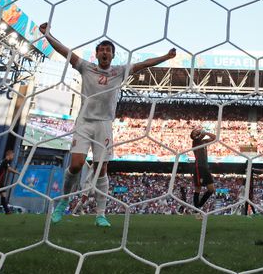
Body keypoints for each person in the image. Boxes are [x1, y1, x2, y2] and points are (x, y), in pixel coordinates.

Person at [40, 22, 175, 227]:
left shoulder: (119, 71)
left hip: (104, 124)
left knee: (101, 169)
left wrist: (165, 57)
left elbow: (144, 64)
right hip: (84, 122)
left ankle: (101, 214)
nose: (104, 52)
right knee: (76, 165)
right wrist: (48, 35)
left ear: (112, 55)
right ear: (96, 54)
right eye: (101, 49)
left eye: (108, 50)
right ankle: (63, 203)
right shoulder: (86, 67)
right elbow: (65, 51)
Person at [183, 128, 216, 215]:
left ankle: (198, 207)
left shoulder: (203, 141)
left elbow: (215, 137)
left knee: (211, 189)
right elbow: (202, 135)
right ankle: (197, 210)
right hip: (199, 167)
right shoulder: (195, 141)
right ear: (193, 135)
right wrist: (203, 132)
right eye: (195, 132)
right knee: (198, 188)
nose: (197, 131)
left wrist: (207, 132)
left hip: (206, 167)